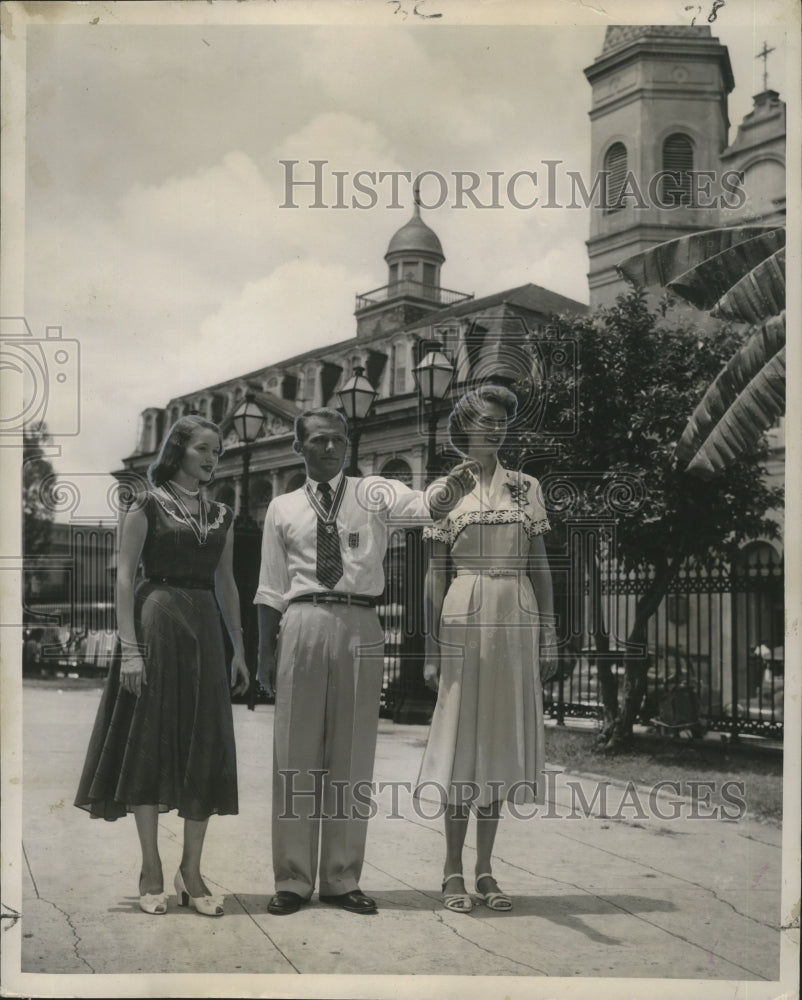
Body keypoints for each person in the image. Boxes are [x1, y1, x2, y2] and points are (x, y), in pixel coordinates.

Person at [255, 406, 476, 917]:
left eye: (338, 439)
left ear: (348, 445)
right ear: (299, 447)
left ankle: (340, 877)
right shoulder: (281, 508)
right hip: (304, 619)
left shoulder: (373, 493)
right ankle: (291, 878)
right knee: (295, 752)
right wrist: (265, 651)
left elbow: (428, 506)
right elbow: (269, 587)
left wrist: (457, 481)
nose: (330, 448)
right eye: (318, 440)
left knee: (352, 756)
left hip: (361, 622)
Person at [75, 415, 249, 916]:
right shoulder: (145, 502)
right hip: (156, 624)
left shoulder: (222, 514)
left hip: (206, 632)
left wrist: (238, 647)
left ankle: (190, 872)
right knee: (149, 741)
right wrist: (130, 649)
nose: (212, 457)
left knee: (205, 742)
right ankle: (151, 868)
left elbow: (228, 584)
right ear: (178, 451)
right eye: (202, 448)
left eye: (217, 450)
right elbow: (125, 579)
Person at [414, 384, 558, 914]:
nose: (495, 428)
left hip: (515, 612)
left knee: (497, 739)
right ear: (465, 426)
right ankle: (452, 869)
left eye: (501, 421)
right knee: (461, 739)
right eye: (485, 421)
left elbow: (539, 566)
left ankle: (486, 869)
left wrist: (549, 633)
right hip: (463, 610)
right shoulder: (444, 492)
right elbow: (434, 573)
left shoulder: (526, 488)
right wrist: (431, 646)